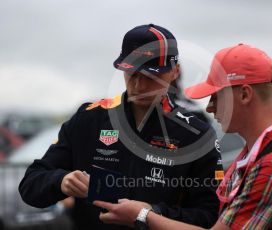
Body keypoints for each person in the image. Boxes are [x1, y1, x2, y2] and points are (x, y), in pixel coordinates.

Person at [19, 24, 223, 230]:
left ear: (175, 71)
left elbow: (210, 216)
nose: (140, 86)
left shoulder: (196, 133)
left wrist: (150, 214)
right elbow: (30, 185)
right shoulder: (89, 119)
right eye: (133, 73)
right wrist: (61, 181)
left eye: (152, 76)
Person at [93, 43, 272, 229]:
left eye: (216, 97)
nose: (209, 108)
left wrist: (142, 215)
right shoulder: (260, 152)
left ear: (245, 95)